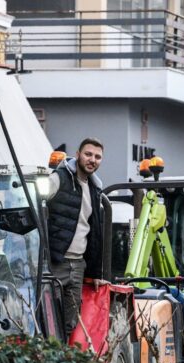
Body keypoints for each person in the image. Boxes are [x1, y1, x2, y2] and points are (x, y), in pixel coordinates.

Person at [46, 137, 105, 338]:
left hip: (78, 265)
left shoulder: (95, 189)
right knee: (49, 320)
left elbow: (95, 233)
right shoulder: (59, 178)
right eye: (88, 154)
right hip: (55, 262)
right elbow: (36, 205)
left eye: (97, 157)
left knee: (70, 323)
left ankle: (62, 357)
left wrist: (95, 271)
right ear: (78, 155)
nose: (92, 160)